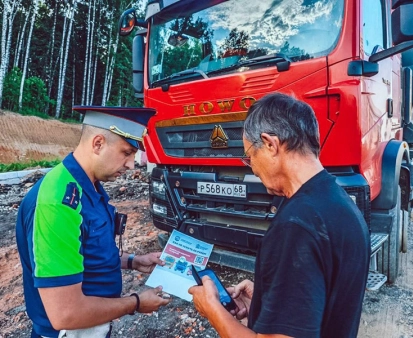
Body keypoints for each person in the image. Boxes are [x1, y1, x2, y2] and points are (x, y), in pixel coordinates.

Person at [189, 93, 370, 338]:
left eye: (249, 156)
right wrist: (269, 300)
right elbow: (323, 302)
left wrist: (212, 310)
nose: (251, 166)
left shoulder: (297, 227)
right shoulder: (339, 203)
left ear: (270, 144)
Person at [16, 107, 171, 338]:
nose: (131, 164)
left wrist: (133, 261)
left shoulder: (88, 186)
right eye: (126, 152)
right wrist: (135, 303)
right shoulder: (58, 203)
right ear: (98, 143)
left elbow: (82, 253)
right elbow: (65, 314)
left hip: (92, 326)